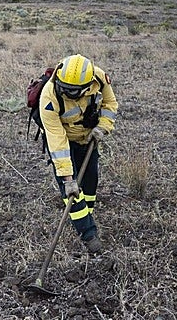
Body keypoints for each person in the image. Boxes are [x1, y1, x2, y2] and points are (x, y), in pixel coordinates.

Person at [39, 54, 118, 253]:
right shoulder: (49, 96)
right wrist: (67, 178)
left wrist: (103, 127)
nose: (64, 93)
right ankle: (89, 235)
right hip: (63, 141)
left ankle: (87, 213)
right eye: (62, 88)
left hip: (88, 137)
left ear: (87, 86)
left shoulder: (99, 79)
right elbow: (57, 141)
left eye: (71, 92)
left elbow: (110, 104)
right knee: (71, 190)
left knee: (90, 180)